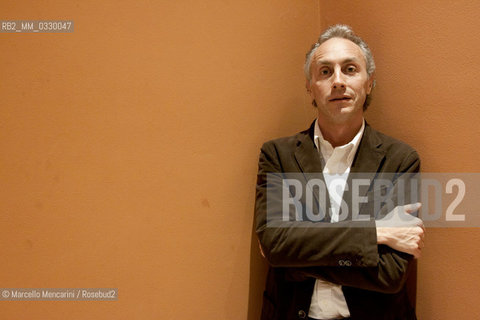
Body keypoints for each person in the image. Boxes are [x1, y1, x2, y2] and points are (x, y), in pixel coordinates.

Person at [254, 25, 425, 320]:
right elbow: (274, 242)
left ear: (369, 82)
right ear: (309, 86)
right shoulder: (277, 156)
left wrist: (294, 255)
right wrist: (376, 233)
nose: (337, 81)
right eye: (324, 72)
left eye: (349, 69)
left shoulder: (401, 159)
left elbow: (390, 275)